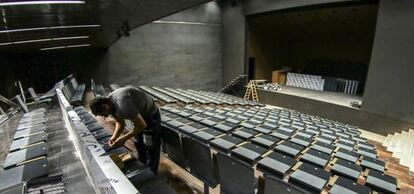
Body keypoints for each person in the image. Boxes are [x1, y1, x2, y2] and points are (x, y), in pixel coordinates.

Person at [89, 86, 161, 173]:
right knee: (138, 143)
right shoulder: (111, 105)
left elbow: (142, 125)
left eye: (103, 114)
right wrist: (114, 137)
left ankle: (151, 173)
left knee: (150, 146)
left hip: (149, 114)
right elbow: (120, 123)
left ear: (105, 106)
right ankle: (142, 167)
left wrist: (123, 139)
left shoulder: (122, 105)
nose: (106, 116)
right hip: (137, 115)